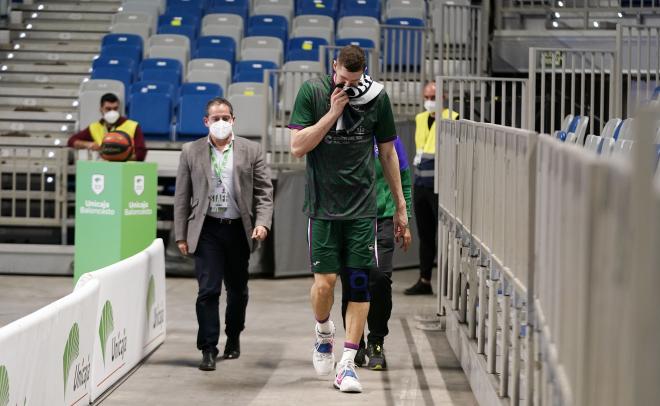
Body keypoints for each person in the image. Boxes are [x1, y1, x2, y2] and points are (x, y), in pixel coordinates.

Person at [289, 45, 408, 393]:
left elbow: (387, 152)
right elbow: (297, 146)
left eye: (354, 81)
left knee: (360, 284)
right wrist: (332, 113)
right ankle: (324, 332)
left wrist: (400, 205)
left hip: (361, 210)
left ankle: (346, 365)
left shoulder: (378, 99)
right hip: (323, 207)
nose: (348, 85)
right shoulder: (312, 92)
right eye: (342, 78)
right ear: (334, 67)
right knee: (324, 285)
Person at [174, 97, 273, 372]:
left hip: (238, 229)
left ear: (233, 120)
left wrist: (262, 223)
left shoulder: (251, 150)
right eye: (215, 118)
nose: (220, 122)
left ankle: (233, 335)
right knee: (208, 290)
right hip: (207, 230)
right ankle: (208, 348)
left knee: (238, 291)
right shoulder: (190, 151)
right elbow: (182, 196)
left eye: (225, 117)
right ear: (206, 121)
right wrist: (181, 234)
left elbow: (265, 192)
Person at [340, 136, 412, 370]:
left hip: (382, 218)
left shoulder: (389, 139)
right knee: (353, 280)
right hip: (349, 218)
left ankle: (376, 341)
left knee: (380, 278)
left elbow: (404, 180)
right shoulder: (343, 134)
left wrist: (405, 216)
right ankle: (355, 343)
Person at [405, 82, 459, 295]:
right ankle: (424, 280)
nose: (429, 101)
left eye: (433, 97)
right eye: (426, 96)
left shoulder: (453, 118)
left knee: (446, 238)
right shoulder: (420, 118)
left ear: (443, 97)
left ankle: (450, 286)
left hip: (441, 187)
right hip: (421, 185)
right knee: (425, 235)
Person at [67, 93, 147, 161]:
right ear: (101, 109)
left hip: (125, 169)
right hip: (103, 170)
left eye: (115, 109)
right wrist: (88, 144)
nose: (112, 112)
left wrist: (118, 156)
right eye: (108, 109)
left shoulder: (133, 126)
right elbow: (71, 141)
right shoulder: (95, 127)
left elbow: (141, 154)